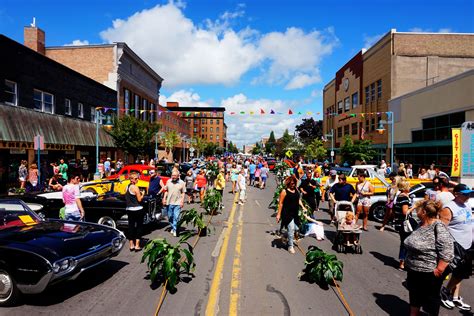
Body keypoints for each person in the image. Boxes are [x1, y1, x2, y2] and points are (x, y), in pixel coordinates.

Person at [404, 200, 454, 316]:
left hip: (429, 272)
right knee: (414, 294)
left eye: (418, 209)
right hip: (414, 269)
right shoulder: (421, 224)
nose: (417, 211)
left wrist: (439, 269)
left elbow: (447, 250)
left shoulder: (438, 226)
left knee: (431, 299)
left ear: (424, 212)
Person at [439, 184, 473, 311]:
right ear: (457, 194)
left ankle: (449, 293)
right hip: (454, 246)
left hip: (468, 246)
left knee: (461, 273)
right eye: (465, 193)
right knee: (444, 273)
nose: (468, 195)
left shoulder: (467, 205)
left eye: (469, 193)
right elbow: (441, 230)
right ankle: (436, 295)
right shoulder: (448, 208)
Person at [276, 176, 307, 254]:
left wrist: (303, 207)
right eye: (292, 183)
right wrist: (278, 214)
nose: (293, 185)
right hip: (287, 213)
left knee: (296, 228)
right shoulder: (284, 191)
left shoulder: (296, 190)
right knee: (291, 229)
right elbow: (281, 203)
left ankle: (285, 235)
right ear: (288, 183)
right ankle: (290, 246)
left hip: (295, 213)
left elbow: (298, 199)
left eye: (294, 183)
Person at [393, 180, 412, 271]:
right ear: (405, 188)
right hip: (404, 223)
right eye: (409, 186)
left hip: (399, 223)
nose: (410, 187)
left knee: (404, 242)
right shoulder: (404, 198)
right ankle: (402, 262)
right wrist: (414, 207)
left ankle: (403, 261)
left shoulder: (399, 196)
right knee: (406, 243)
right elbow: (405, 212)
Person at [125, 172, 144, 251]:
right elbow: (139, 199)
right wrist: (142, 194)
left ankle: (131, 245)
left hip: (129, 209)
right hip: (138, 209)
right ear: (132, 179)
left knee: (131, 226)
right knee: (139, 226)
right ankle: (137, 245)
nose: (137, 180)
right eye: (136, 178)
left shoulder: (127, 187)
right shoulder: (135, 187)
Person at [163, 170, 186, 237]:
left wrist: (182, 201)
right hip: (169, 202)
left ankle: (175, 230)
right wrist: (164, 198)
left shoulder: (182, 183)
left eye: (175, 176)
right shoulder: (168, 181)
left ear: (178, 176)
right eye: (172, 175)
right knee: (170, 217)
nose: (173, 177)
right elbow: (166, 191)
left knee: (176, 217)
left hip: (178, 202)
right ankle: (173, 227)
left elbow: (183, 192)